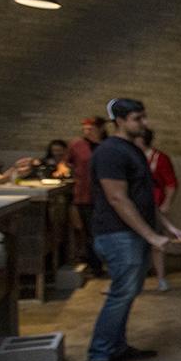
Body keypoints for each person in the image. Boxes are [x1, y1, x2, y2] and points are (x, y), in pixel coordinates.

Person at [84, 99, 170, 361]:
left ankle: (117, 347)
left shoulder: (131, 149)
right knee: (121, 295)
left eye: (144, 117)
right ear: (119, 121)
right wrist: (151, 235)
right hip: (117, 235)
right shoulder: (110, 152)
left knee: (128, 293)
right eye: (137, 118)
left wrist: (166, 226)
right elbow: (117, 198)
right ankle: (98, 356)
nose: (144, 123)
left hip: (132, 234)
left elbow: (142, 196)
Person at [135, 128, 181, 291]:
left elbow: (171, 183)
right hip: (134, 206)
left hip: (154, 206)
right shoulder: (131, 157)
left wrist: (166, 203)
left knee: (157, 244)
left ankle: (161, 278)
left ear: (142, 140)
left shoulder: (159, 159)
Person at [66, 117, 107, 276]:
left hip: (106, 195)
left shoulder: (108, 144)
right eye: (85, 129)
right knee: (90, 232)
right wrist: (63, 170)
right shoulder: (77, 144)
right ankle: (95, 266)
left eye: (91, 129)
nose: (87, 132)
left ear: (100, 129)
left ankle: (107, 262)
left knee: (105, 230)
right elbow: (65, 162)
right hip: (84, 194)